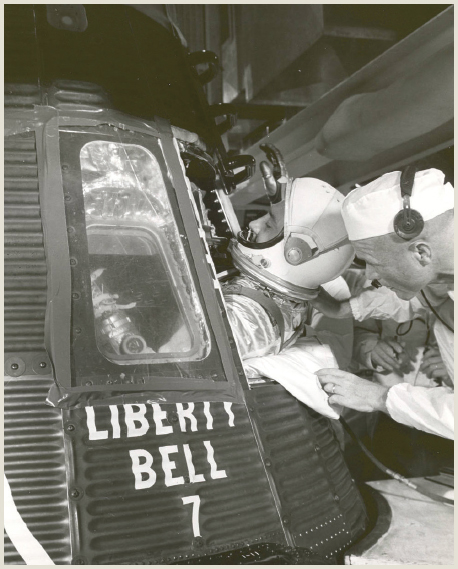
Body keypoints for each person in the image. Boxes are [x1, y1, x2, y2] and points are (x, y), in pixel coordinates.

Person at [312, 168, 454, 439]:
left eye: (374, 264)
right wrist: (341, 308)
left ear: (421, 252)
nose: (370, 276)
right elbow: (409, 302)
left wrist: (379, 397)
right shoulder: (440, 280)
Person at [220, 145, 356, 419]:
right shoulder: (271, 303)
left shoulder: (251, 318)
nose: (256, 225)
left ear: (295, 254)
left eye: (269, 224)